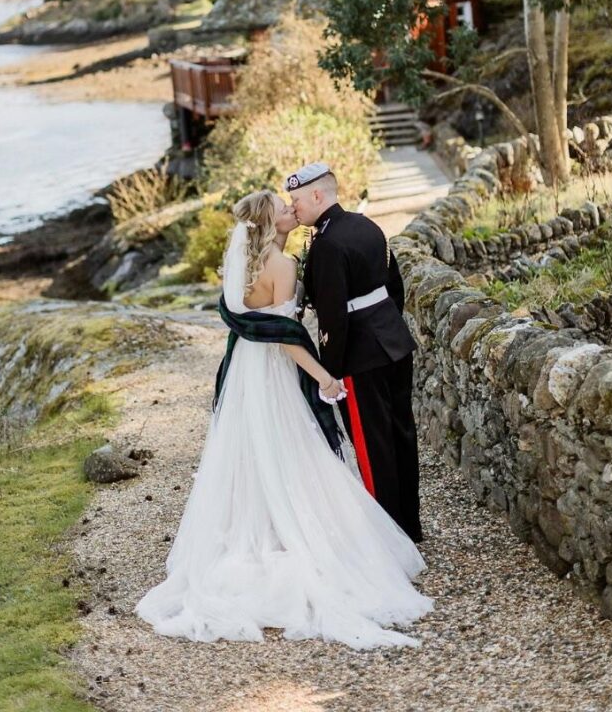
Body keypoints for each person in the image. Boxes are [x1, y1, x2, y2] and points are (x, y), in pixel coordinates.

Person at [135, 189, 432, 649]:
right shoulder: (284, 266)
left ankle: (257, 529)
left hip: (244, 372)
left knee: (253, 450)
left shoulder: (244, 265)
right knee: (291, 447)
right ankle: (292, 531)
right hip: (274, 370)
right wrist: (325, 378)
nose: (290, 209)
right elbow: (288, 338)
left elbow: (253, 323)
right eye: (282, 207)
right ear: (269, 222)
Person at [287, 162, 423, 542]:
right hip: (394, 342)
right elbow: (394, 286)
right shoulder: (367, 225)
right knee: (401, 432)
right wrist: (387, 328)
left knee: (372, 444)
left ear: (317, 195)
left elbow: (332, 319)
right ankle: (409, 524)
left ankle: (390, 535)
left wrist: (329, 373)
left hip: (359, 356)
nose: (293, 207)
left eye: (296, 199)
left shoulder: (327, 244)